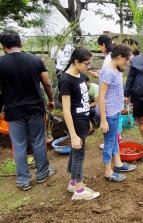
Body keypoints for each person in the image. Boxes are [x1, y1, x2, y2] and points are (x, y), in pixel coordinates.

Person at [0, 30, 56, 191]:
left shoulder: (1, 63)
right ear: (20, 44)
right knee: (38, 140)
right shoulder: (35, 60)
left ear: (3, 47)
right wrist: (51, 100)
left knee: (18, 145)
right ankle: (42, 173)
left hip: (13, 111)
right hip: (35, 108)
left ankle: (23, 180)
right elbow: (46, 83)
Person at [58, 47, 100, 200]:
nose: (88, 67)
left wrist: (88, 120)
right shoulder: (66, 80)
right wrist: (74, 135)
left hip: (82, 120)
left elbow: (82, 102)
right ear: (76, 62)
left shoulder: (80, 74)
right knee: (79, 155)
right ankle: (79, 191)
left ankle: (72, 183)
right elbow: (66, 111)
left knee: (75, 153)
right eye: (86, 64)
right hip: (75, 123)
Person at [96, 44, 136, 183]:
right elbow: (101, 96)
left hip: (116, 110)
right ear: (119, 57)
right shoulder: (108, 71)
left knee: (115, 139)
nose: (127, 62)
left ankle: (118, 164)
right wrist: (103, 119)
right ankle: (108, 172)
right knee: (109, 142)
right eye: (126, 59)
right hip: (109, 114)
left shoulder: (115, 69)